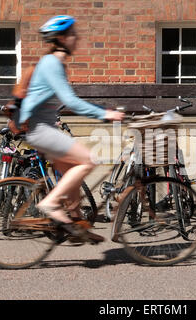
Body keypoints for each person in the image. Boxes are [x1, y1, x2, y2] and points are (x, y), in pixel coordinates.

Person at [19, 15, 124, 242]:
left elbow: (68, 100)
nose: (77, 38)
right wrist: (105, 114)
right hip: (40, 130)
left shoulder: (55, 63)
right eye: (74, 34)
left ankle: (77, 229)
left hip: (45, 128)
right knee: (89, 160)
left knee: (72, 177)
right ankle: (49, 203)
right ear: (62, 38)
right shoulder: (52, 63)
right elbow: (72, 101)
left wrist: (102, 110)